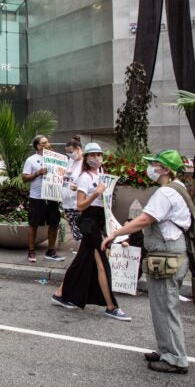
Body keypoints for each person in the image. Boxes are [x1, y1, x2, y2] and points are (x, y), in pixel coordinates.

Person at [102, 150, 190, 374]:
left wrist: (115, 234)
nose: (151, 168)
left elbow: (143, 219)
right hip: (172, 253)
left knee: (165, 307)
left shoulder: (165, 193)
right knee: (162, 305)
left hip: (166, 254)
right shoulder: (178, 188)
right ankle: (166, 350)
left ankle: (175, 358)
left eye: (156, 164)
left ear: (167, 169)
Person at [51, 142, 130, 321]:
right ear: (86, 158)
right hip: (89, 221)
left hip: (100, 220)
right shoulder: (85, 177)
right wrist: (96, 193)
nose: (96, 158)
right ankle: (111, 306)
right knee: (101, 262)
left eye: (99, 154)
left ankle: (60, 293)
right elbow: (80, 205)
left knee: (82, 261)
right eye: (92, 155)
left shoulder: (101, 174)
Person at [22, 135, 64, 262]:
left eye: (47, 142)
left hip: (52, 196)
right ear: (38, 146)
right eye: (44, 143)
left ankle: (50, 251)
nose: (48, 144)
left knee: (54, 223)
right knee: (34, 224)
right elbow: (24, 178)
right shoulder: (31, 160)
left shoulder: (54, 158)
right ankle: (31, 251)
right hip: (37, 197)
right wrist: (37, 173)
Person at [62, 136, 84, 243]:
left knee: (81, 229)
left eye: (71, 152)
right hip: (68, 200)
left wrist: (78, 187)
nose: (70, 155)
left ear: (78, 149)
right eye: (68, 153)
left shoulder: (85, 163)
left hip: (78, 201)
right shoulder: (70, 161)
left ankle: (83, 254)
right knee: (74, 229)